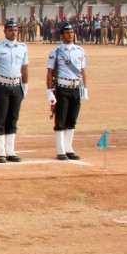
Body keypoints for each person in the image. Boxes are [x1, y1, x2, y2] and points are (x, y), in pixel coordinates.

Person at [0, 20, 29, 163]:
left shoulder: (22, 47)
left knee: (13, 117)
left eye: (15, 30)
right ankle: (1, 152)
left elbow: (24, 68)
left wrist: (25, 85)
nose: (13, 32)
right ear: (4, 31)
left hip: (16, 85)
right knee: (1, 118)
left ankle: (10, 151)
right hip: (1, 85)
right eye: (10, 30)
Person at [46, 21, 88, 161]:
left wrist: (84, 89)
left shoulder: (80, 51)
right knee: (61, 119)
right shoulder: (56, 52)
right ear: (62, 35)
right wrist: (50, 91)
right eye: (67, 33)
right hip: (62, 88)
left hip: (76, 87)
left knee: (72, 119)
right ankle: (61, 150)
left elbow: (82, 71)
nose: (70, 35)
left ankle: (69, 148)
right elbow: (50, 72)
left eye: (71, 32)